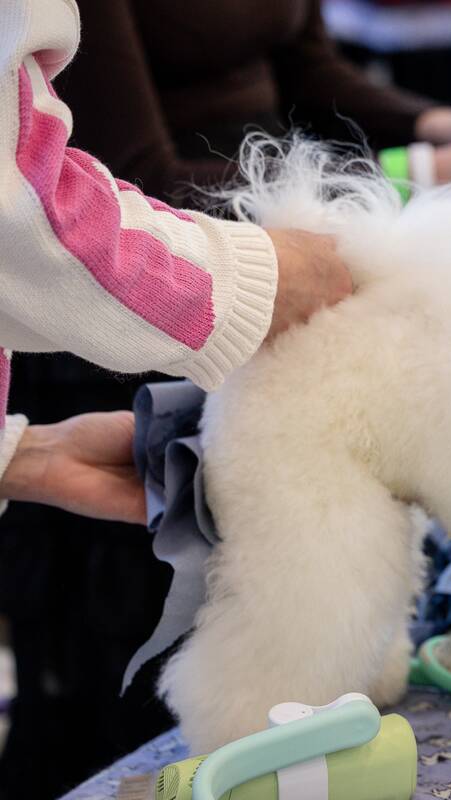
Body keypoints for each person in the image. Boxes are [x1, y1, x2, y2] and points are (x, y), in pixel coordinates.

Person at [0, 3, 353, 794]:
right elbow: (19, 199)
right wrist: (255, 278)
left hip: (176, 285)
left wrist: (21, 453)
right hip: (144, 299)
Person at [57, 0, 451, 204]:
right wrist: (420, 172)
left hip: (292, 185)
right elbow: (138, 181)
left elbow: (309, 70)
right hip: (174, 259)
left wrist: (446, 126)